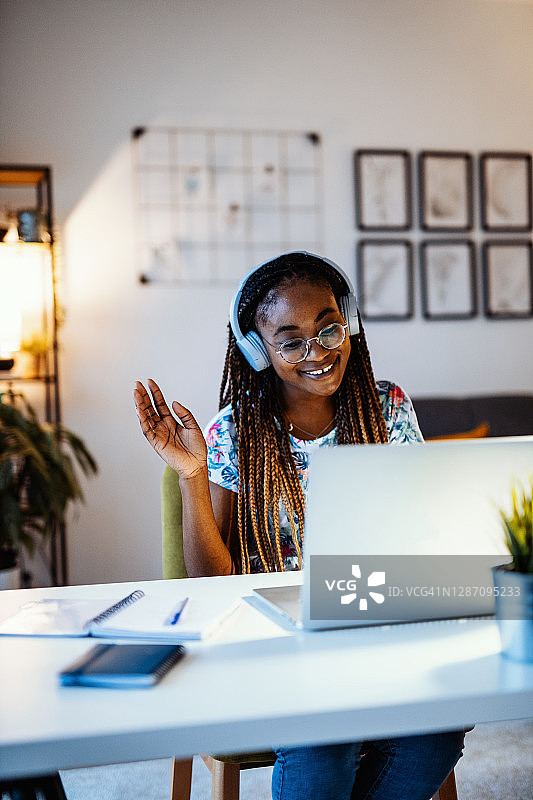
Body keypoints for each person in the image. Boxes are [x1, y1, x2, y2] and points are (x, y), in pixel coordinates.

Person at [133, 251, 465, 800]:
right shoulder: (233, 433)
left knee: (434, 734)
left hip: (377, 630)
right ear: (258, 351)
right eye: (290, 340)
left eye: (329, 328)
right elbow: (212, 584)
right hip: (278, 647)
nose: (317, 351)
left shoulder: (389, 408)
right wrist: (193, 475)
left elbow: (427, 529)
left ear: (349, 325)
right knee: (322, 739)